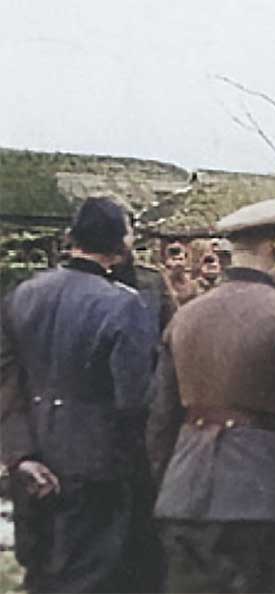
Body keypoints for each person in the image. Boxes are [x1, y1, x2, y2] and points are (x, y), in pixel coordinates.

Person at [146, 195, 275, 593]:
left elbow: (161, 418)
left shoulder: (187, 315)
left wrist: (168, 484)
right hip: (266, 502)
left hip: (187, 497)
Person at [0, 197, 160, 593]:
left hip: (33, 458)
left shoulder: (24, 294)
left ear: (71, 237)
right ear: (123, 244)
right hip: (97, 467)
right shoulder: (124, 304)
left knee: (40, 576)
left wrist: (21, 454)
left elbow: (6, 380)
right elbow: (135, 397)